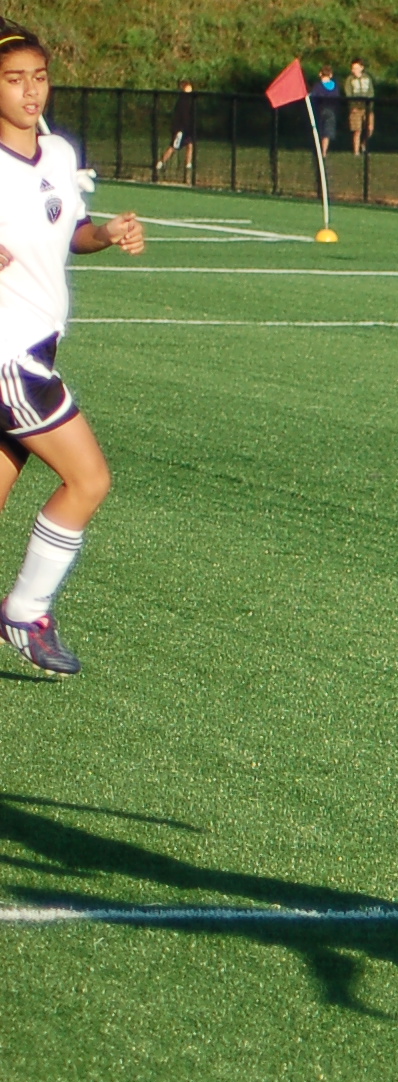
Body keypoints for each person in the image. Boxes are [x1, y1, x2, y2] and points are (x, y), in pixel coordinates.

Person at [0, 23, 144, 679]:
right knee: (89, 480)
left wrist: (106, 234)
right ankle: (26, 613)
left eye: (39, 77)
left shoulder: (58, 152)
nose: (30, 91)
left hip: (38, 347)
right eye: (14, 80)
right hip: (11, 358)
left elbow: (73, 231)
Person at [153, 81, 196, 180]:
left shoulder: (191, 102)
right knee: (173, 147)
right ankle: (160, 162)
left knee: (190, 145)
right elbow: (178, 117)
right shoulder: (181, 103)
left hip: (188, 129)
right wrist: (178, 130)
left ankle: (188, 165)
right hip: (180, 129)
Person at [343, 62, 374, 156]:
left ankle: (364, 145)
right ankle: (356, 151)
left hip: (367, 107)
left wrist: (370, 105)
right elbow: (348, 93)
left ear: (361, 68)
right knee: (357, 130)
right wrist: (352, 106)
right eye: (353, 68)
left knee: (370, 128)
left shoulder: (367, 78)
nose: (354, 70)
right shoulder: (350, 79)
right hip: (355, 108)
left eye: (356, 68)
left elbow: (371, 92)